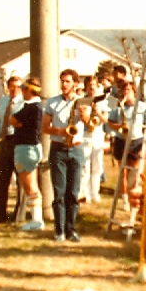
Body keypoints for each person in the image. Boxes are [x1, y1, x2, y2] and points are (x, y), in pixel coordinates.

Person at [43, 69, 86, 242]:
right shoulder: (53, 103)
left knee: (73, 193)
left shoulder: (82, 102)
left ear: (75, 83)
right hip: (58, 149)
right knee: (59, 191)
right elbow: (44, 127)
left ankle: (71, 229)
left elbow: (90, 124)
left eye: (68, 81)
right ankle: (59, 230)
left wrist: (85, 114)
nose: (64, 84)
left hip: (76, 149)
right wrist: (59, 130)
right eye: (62, 81)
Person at [107, 80, 146, 212]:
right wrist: (120, 126)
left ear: (134, 92)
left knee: (134, 173)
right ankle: (124, 199)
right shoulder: (119, 107)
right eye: (124, 91)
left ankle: (133, 199)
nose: (126, 93)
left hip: (136, 140)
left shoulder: (142, 107)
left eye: (129, 90)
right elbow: (110, 123)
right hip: (121, 140)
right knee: (123, 172)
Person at [11, 77, 46, 230]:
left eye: (23, 89)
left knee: (30, 187)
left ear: (29, 90)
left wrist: (18, 123)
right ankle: (36, 219)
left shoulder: (31, 107)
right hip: (30, 147)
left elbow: (13, 120)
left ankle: (36, 220)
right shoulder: (36, 107)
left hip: (26, 148)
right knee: (31, 186)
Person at [0, 77, 23, 224]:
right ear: (7, 87)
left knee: (21, 180)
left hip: (19, 141)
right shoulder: (3, 101)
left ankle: (18, 214)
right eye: (12, 87)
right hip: (5, 141)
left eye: (17, 87)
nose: (14, 89)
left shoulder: (25, 102)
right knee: (1, 179)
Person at [78, 76, 109, 204]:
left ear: (97, 86)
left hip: (97, 134)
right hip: (85, 134)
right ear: (85, 86)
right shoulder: (81, 100)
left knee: (97, 166)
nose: (91, 87)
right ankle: (84, 193)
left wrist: (97, 112)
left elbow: (106, 119)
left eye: (94, 85)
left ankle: (94, 192)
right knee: (85, 166)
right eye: (89, 85)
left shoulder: (103, 100)